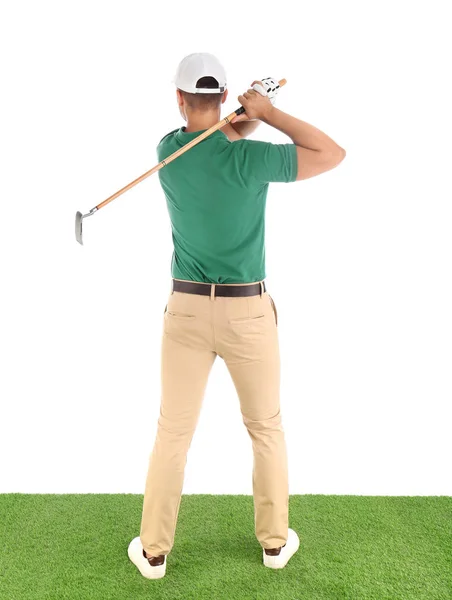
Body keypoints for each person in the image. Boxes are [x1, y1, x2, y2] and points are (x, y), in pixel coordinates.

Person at [128, 52, 346, 579]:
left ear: (179, 99)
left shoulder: (168, 152)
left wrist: (246, 112)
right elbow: (331, 153)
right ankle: (274, 544)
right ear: (224, 97)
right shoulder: (252, 159)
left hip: (183, 312)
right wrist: (267, 112)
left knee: (172, 433)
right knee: (265, 428)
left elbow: (215, 134)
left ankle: (154, 552)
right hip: (247, 312)